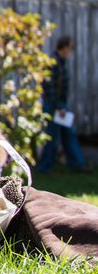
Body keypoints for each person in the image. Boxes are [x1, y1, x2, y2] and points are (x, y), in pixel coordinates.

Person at [36, 36, 88, 173]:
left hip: (60, 105)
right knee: (52, 137)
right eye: (70, 48)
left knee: (68, 134)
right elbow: (50, 87)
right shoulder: (53, 62)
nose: (70, 51)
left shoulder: (61, 62)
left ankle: (77, 165)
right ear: (64, 48)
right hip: (54, 106)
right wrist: (59, 107)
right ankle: (45, 167)